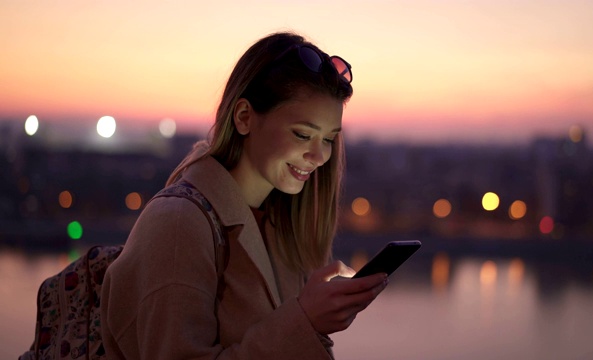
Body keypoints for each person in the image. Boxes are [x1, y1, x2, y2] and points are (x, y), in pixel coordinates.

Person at [100, 31, 388, 359]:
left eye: (328, 139)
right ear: (244, 117)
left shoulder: (284, 225)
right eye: (303, 134)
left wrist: (316, 320)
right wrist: (305, 320)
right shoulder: (179, 224)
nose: (319, 156)